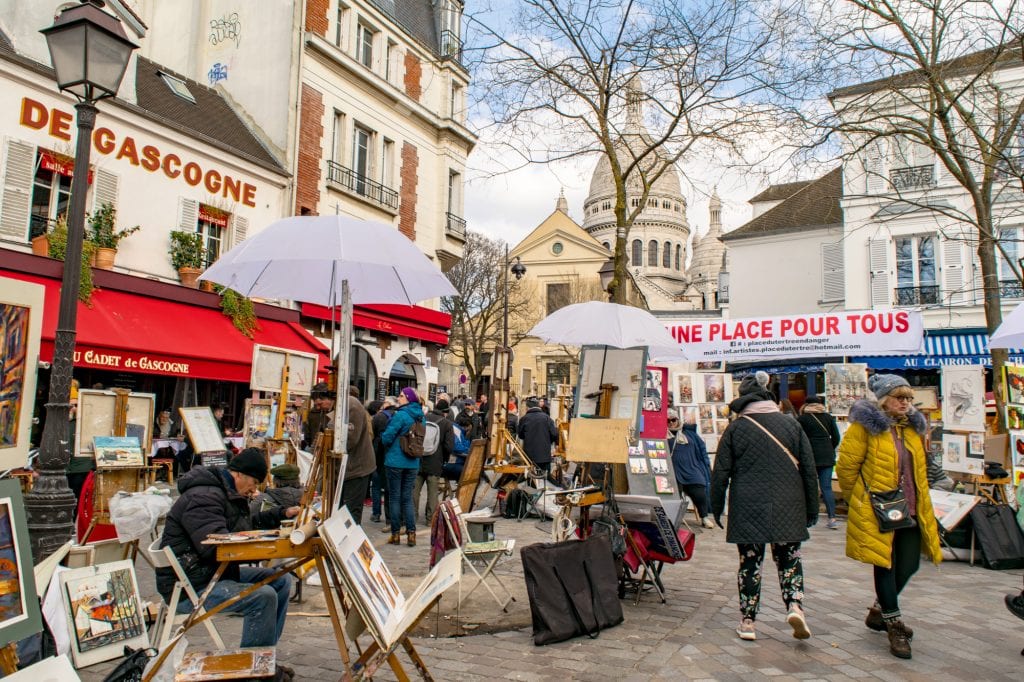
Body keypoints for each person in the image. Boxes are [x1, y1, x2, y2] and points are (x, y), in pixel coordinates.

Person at [835, 374, 942, 660]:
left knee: (909, 563)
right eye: (899, 398)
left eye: (908, 398)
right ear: (884, 400)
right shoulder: (865, 429)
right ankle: (893, 624)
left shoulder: (912, 430)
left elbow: (921, 469)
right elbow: (846, 467)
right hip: (879, 507)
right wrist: (859, 499)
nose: (906, 403)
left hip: (912, 506)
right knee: (886, 563)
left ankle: (880, 611)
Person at [710, 371, 819, 642]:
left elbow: (720, 472)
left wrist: (715, 506)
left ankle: (747, 621)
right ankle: (795, 605)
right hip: (789, 503)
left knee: (749, 563)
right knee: (790, 559)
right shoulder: (792, 425)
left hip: (748, 505)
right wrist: (812, 508)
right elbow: (808, 470)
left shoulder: (736, 429)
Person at [156, 448, 300, 649]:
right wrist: (263, 547)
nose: (255, 489)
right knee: (263, 596)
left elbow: (245, 524)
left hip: (211, 573)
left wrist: (282, 513)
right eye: (254, 482)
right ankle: (253, 669)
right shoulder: (204, 496)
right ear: (239, 474)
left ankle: (264, 657)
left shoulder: (224, 492)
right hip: (190, 585)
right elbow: (215, 547)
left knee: (281, 579)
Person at [379, 387, 426, 546]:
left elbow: (387, 437)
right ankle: (411, 533)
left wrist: (385, 438)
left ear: (408, 398)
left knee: (394, 497)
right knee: (407, 498)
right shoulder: (421, 417)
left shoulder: (401, 415)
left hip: (395, 461)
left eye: (401, 396)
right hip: (413, 462)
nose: (398, 398)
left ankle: (396, 534)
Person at [798, 396, 842, 530]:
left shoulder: (802, 419)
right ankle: (832, 517)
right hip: (827, 456)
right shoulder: (828, 417)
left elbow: (798, 438)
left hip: (809, 456)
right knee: (826, 487)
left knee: (807, 486)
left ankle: (806, 516)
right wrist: (829, 448)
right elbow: (836, 437)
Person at [668, 410, 713, 529]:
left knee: (699, 489)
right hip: (673, 471)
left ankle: (704, 517)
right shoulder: (663, 435)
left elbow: (702, 450)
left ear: (678, 420)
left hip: (692, 470)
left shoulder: (690, 434)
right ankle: (673, 518)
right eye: (668, 421)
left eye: (673, 420)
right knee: (673, 491)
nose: (671, 423)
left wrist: (706, 466)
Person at [414, 398, 455, 525]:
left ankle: (412, 516)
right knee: (432, 492)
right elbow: (449, 446)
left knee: (415, 490)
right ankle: (430, 519)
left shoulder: (423, 418)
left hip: (419, 458)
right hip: (435, 462)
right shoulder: (447, 424)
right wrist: (445, 458)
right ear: (445, 412)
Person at [340, 386, 376, 524]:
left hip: (357, 464)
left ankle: (352, 538)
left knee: (351, 508)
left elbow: (352, 439)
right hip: (408, 462)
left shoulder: (353, 407)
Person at [370, 396, 398, 524]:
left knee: (376, 486)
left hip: (377, 454)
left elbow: (372, 434)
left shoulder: (379, 417)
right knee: (390, 487)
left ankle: (376, 513)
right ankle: (391, 516)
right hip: (392, 454)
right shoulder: (399, 416)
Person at [518, 397, 557, 473]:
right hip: (544, 455)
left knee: (530, 479)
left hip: (529, 456)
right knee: (545, 479)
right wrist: (548, 441)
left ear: (527, 407)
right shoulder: (547, 418)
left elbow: (520, 435)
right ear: (538, 406)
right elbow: (554, 434)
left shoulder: (524, 419)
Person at [303, 383, 332, 448]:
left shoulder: (338, 414)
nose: (318, 407)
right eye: (316, 404)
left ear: (329, 399)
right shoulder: (315, 412)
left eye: (320, 404)